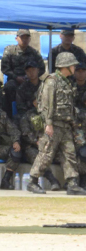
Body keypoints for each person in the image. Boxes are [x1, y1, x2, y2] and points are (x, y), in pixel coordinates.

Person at [27, 53, 86, 195]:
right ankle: (33, 181)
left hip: (65, 124)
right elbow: (47, 104)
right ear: (66, 66)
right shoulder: (52, 81)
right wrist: (48, 124)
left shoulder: (65, 81)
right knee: (46, 153)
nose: (74, 67)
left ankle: (72, 183)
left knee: (69, 153)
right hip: (53, 124)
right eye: (72, 65)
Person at [1, 30, 44, 114]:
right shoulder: (10, 51)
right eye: (22, 38)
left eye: (26, 38)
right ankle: (9, 114)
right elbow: (5, 68)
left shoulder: (34, 52)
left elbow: (41, 68)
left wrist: (31, 76)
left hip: (31, 79)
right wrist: (16, 77)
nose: (24, 40)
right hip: (14, 79)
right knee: (9, 87)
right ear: (16, 38)